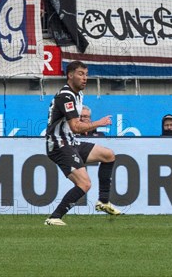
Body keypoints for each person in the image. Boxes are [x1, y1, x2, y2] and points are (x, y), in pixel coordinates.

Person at [44, 61, 120, 226]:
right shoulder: (66, 96)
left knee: (108, 155)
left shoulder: (77, 94)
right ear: (70, 75)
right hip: (59, 145)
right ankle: (54, 217)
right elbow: (76, 127)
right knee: (84, 183)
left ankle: (103, 201)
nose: (85, 78)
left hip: (70, 142)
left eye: (86, 74)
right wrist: (98, 123)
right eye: (80, 74)